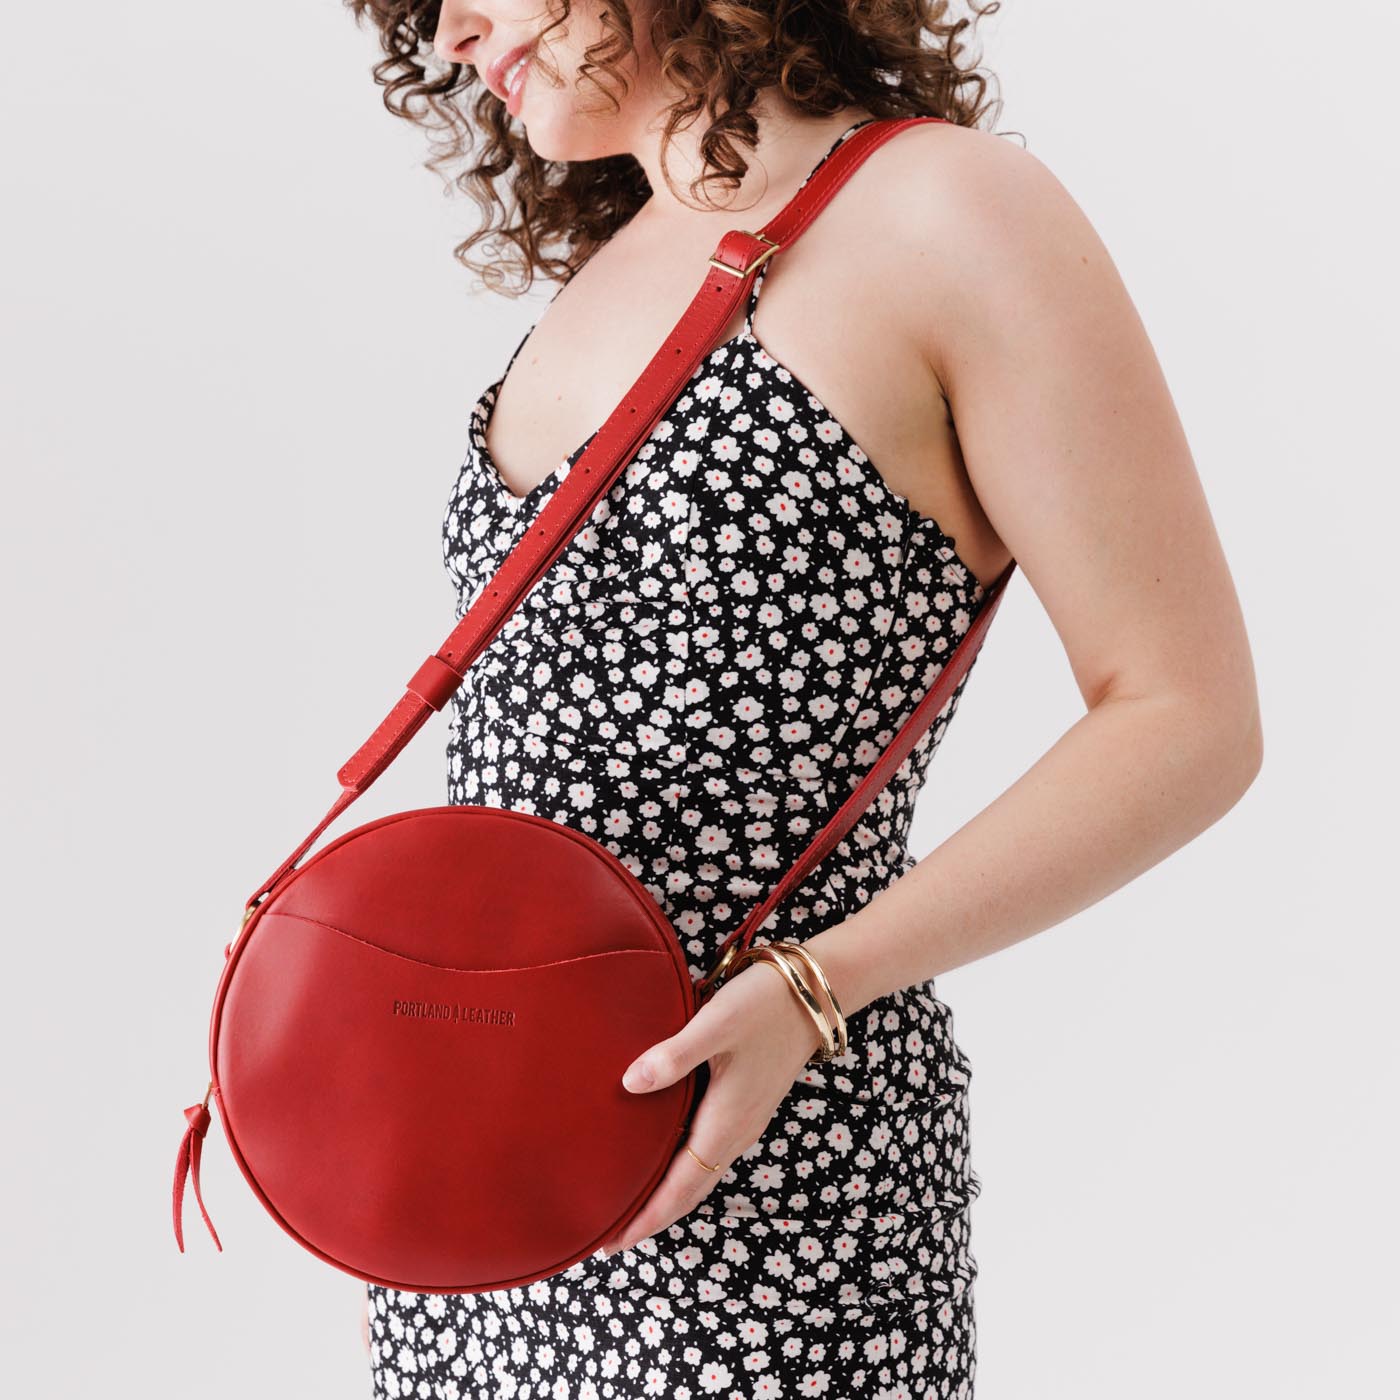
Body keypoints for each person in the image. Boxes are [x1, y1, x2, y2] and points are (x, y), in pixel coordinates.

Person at [349, 0, 1263, 1394]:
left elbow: (1187, 713)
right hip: (497, 1192)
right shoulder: (608, 269)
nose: (453, 33)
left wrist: (815, 985)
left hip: (782, 1195)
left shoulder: (947, 211)